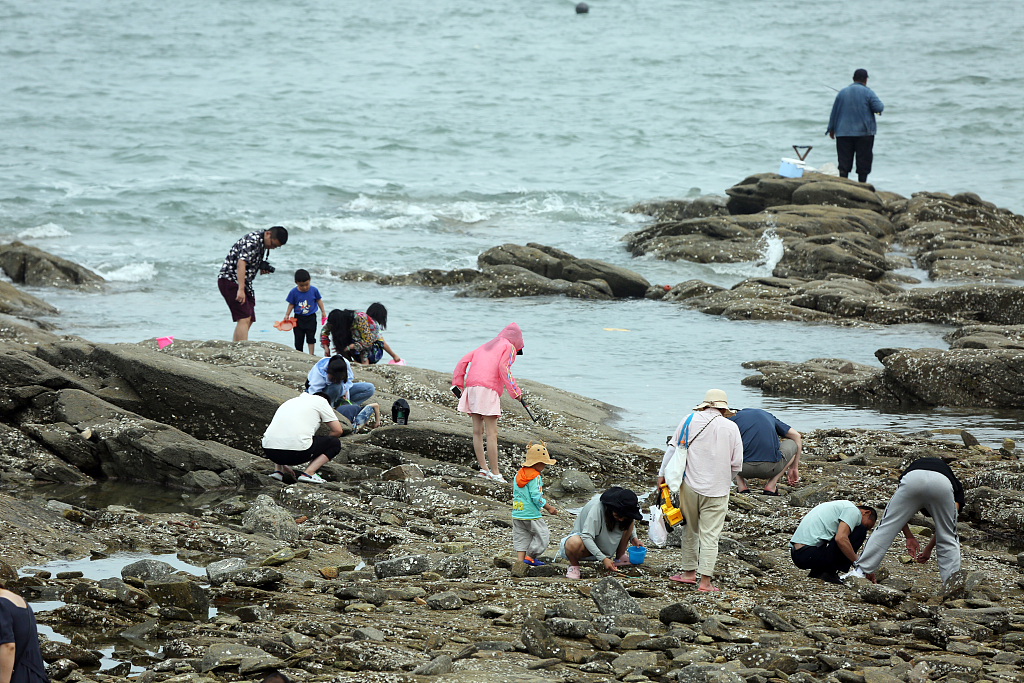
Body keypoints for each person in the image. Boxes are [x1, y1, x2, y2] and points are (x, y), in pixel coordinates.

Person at [659, 389, 743, 592]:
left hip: (689, 486)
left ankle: (689, 573)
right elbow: (737, 464)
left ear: (704, 405)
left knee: (690, 529)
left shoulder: (689, 420)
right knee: (711, 536)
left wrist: (661, 475)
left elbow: (672, 449)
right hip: (718, 489)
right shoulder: (732, 427)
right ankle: (705, 582)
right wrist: (725, 481)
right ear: (723, 408)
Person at [844, 457, 963, 585]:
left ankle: (860, 572)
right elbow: (946, 528)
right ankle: (951, 584)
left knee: (886, 526)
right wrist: (924, 545)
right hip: (942, 483)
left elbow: (897, 517)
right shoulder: (957, 490)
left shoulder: (919, 467)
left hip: (913, 477)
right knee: (949, 537)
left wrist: (910, 537)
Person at [451, 323, 526, 483]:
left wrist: (458, 385)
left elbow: (462, 361)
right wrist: (515, 392)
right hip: (488, 389)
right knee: (492, 434)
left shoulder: (484, 346)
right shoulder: (509, 347)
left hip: (472, 387)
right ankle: (496, 473)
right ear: (517, 341)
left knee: (477, 431)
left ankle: (484, 470)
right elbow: (503, 367)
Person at [556, 487, 645, 580]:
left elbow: (628, 520)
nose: (621, 519)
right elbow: (586, 536)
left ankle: (620, 557)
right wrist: (603, 559)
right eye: (618, 515)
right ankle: (574, 567)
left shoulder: (625, 517)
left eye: (624, 517)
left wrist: (633, 538)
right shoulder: (597, 508)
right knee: (573, 543)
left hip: (606, 547)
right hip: (586, 548)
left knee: (629, 521)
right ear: (611, 508)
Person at [217, 226, 288, 342]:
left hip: (244, 283)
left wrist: (258, 266)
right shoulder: (253, 240)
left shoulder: (261, 242)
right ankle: (241, 350)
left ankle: (235, 347)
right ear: (268, 234)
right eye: (273, 244)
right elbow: (241, 263)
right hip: (230, 280)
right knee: (244, 317)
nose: (272, 248)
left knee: (249, 318)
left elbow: (247, 261)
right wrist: (240, 289)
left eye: (276, 247)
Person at [262, 391, 344, 484]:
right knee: (334, 443)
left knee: (281, 433)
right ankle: (308, 473)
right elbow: (338, 430)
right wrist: (325, 445)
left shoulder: (290, 402)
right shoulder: (321, 402)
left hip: (270, 453)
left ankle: (278, 471)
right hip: (297, 454)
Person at [790, 500, 877, 584]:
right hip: (808, 553)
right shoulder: (853, 510)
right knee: (860, 530)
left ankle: (817, 572)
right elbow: (841, 538)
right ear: (866, 512)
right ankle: (829, 572)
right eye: (867, 525)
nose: (865, 527)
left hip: (797, 554)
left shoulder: (839, 506)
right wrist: (859, 564)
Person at [826, 68, 884, 183]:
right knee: (863, 160)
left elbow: (834, 112)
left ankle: (843, 184)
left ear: (853, 79)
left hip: (843, 133)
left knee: (844, 161)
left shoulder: (842, 92)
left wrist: (831, 129)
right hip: (864, 133)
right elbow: (879, 108)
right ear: (866, 80)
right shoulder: (869, 92)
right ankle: (862, 185)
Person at [728, 408, 802, 495]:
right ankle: (771, 485)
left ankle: (741, 486)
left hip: (741, 469)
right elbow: (796, 436)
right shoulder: (768, 416)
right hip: (770, 469)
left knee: (731, 447)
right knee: (792, 443)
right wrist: (794, 468)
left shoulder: (731, 419)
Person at [512, 442, 559, 566]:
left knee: (522, 535)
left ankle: (520, 562)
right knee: (542, 534)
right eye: (543, 464)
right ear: (537, 463)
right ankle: (531, 556)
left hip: (517, 512)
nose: (544, 466)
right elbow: (536, 497)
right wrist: (548, 508)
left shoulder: (519, 474)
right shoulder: (535, 476)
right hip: (530, 513)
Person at [0, 582, 50, 683]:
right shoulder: (17, 599)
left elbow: (8, 646)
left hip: (17, 676)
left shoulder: (1, 605)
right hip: (35, 674)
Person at [320, 305, 400, 364]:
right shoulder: (338, 319)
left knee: (357, 337)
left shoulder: (359, 319)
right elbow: (324, 331)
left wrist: (350, 347)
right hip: (356, 345)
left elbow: (368, 341)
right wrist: (326, 347)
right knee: (341, 340)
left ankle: (364, 364)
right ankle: (349, 362)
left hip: (372, 350)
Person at [306, 355, 375, 409]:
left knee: (369, 388)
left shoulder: (345, 363)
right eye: (334, 378)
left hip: (338, 392)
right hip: (323, 393)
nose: (335, 380)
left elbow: (347, 382)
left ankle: (344, 406)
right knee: (336, 385)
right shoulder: (319, 370)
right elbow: (314, 393)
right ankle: (331, 407)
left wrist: (345, 394)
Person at [283, 269, 326, 355]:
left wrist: (323, 312)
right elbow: (291, 304)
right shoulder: (293, 292)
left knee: (311, 337)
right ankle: (299, 353)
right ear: (296, 282)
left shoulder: (314, 290)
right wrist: (287, 314)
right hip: (298, 318)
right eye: (302, 285)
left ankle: (311, 354)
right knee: (298, 338)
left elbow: (319, 300)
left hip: (311, 317)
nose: (305, 287)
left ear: (310, 280)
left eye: (307, 284)